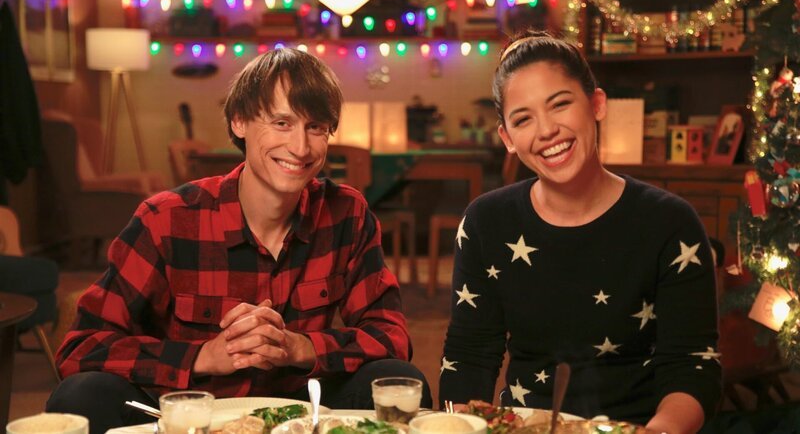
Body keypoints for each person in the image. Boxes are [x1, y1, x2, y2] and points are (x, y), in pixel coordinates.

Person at [47, 48, 431, 434]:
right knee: (79, 395)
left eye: (315, 127)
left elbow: (391, 336)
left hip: (297, 411)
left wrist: (300, 346)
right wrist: (203, 356)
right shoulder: (166, 217)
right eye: (282, 123)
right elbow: (82, 348)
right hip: (185, 412)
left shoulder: (347, 212)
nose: (300, 147)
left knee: (397, 380)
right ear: (239, 121)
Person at [438, 31, 720, 433]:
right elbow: (469, 356)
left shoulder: (670, 223)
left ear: (596, 104)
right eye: (523, 119)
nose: (547, 130)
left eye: (561, 105)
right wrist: (456, 427)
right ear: (507, 138)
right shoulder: (486, 221)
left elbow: (692, 366)